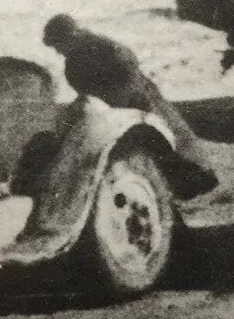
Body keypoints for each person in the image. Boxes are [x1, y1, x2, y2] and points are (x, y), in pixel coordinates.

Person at [41, 14, 218, 199]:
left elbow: (127, 72)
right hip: (121, 102)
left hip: (137, 97)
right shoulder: (79, 55)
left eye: (58, 45)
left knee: (167, 138)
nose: (58, 51)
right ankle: (185, 185)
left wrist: (126, 104)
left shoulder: (101, 47)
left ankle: (198, 179)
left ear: (70, 36)